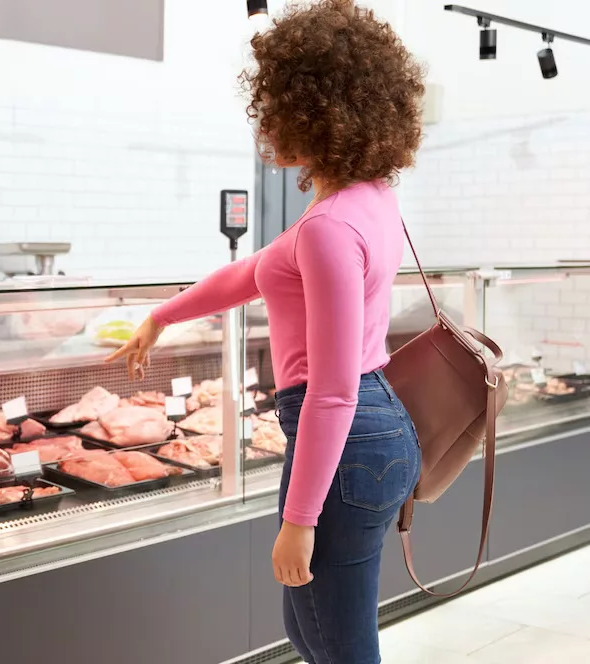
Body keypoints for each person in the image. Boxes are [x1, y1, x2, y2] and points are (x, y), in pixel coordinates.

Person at [107, 2, 426, 662]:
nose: (265, 123)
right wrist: (162, 316)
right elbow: (255, 271)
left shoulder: (329, 226)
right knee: (308, 625)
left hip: (344, 436)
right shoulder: (365, 197)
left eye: (276, 106)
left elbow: (332, 394)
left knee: (338, 641)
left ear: (319, 111)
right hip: (374, 428)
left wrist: (299, 523)